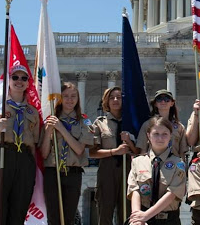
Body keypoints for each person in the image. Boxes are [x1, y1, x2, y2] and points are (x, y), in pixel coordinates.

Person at [0, 65, 40, 224]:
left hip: (24, 160)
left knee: (18, 210)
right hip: (0, 154)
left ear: (28, 83)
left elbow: (33, 145)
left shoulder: (33, 113)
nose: (19, 81)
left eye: (23, 78)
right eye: (15, 77)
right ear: (8, 80)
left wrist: (31, 168)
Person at [40, 82, 94, 225]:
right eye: (65, 96)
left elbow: (79, 149)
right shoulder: (50, 120)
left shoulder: (84, 121)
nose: (70, 100)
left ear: (78, 98)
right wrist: (48, 132)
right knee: (53, 217)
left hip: (73, 172)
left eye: (73, 96)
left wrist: (61, 128)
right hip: (52, 171)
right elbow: (44, 154)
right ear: (60, 98)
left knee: (69, 217)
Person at [90, 86, 139, 224]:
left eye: (119, 97)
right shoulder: (100, 123)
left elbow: (139, 152)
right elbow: (92, 152)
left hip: (128, 168)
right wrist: (114, 151)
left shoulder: (131, 124)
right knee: (105, 210)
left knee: (127, 211)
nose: (115, 100)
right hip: (107, 168)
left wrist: (129, 142)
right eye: (112, 97)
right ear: (106, 101)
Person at [127, 117, 186, 225]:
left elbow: (172, 194)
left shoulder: (178, 164)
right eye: (156, 134)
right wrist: (137, 217)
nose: (160, 138)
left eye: (165, 134)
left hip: (168, 220)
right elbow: (134, 190)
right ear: (148, 136)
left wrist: (146, 215)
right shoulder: (137, 162)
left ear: (170, 136)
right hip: (142, 220)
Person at [137, 90, 187, 160]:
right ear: (155, 104)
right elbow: (143, 150)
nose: (163, 102)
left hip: (173, 166)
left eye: (167, 99)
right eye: (159, 99)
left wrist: (182, 169)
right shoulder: (147, 125)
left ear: (172, 103)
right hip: (153, 165)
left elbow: (182, 152)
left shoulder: (179, 127)